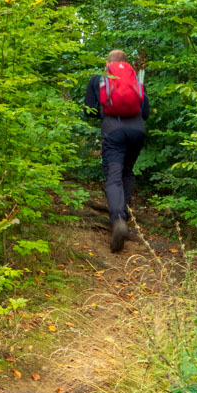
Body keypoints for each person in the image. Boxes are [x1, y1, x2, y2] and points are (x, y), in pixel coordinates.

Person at [84, 49, 149, 252]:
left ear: (107, 63)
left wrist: (105, 116)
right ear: (126, 63)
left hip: (113, 130)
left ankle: (118, 220)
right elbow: (145, 112)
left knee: (113, 175)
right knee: (127, 171)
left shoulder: (99, 79)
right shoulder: (136, 80)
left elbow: (89, 110)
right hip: (137, 130)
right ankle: (125, 214)